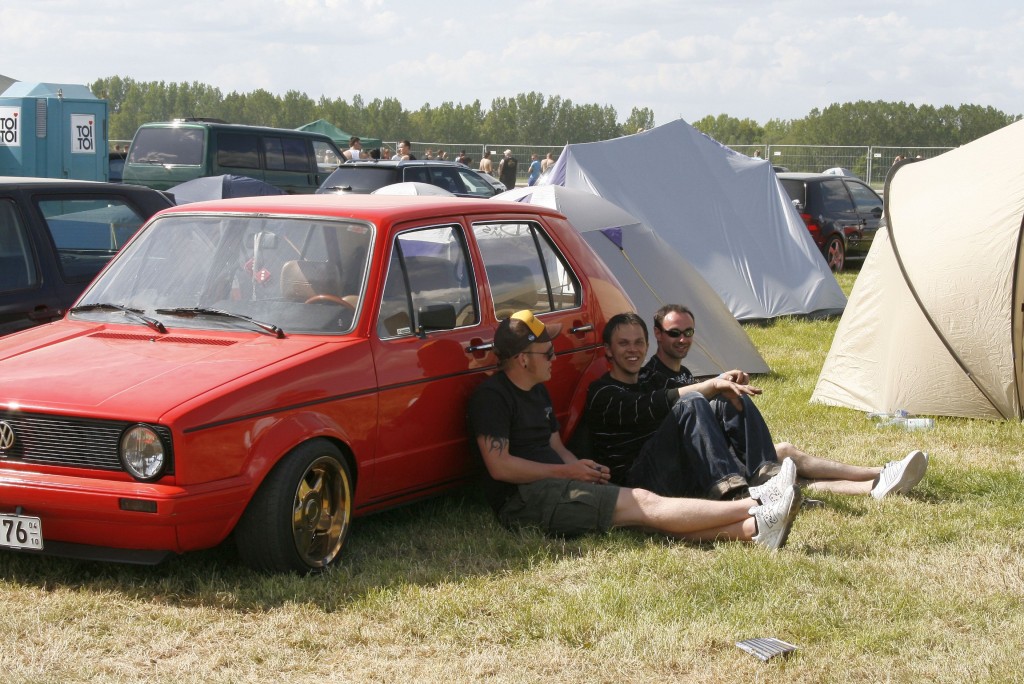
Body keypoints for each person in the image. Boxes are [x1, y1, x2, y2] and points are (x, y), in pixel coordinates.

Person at [468, 310, 802, 549]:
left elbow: (554, 445)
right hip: (526, 499)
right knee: (643, 506)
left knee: (645, 518)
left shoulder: (537, 392)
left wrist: (581, 469)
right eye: (548, 352)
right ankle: (757, 502)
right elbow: (500, 467)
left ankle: (755, 528)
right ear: (523, 358)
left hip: (558, 482)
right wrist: (567, 471)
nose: (554, 357)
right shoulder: (492, 397)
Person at [590, 305, 927, 500]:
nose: (682, 340)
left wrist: (721, 388)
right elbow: (655, 406)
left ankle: (876, 481)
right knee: (779, 451)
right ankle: (743, 491)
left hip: (691, 459)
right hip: (652, 479)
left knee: (776, 455)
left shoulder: (671, 377)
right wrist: (712, 386)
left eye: (688, 333)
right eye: (624, 344)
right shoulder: (611, 391)